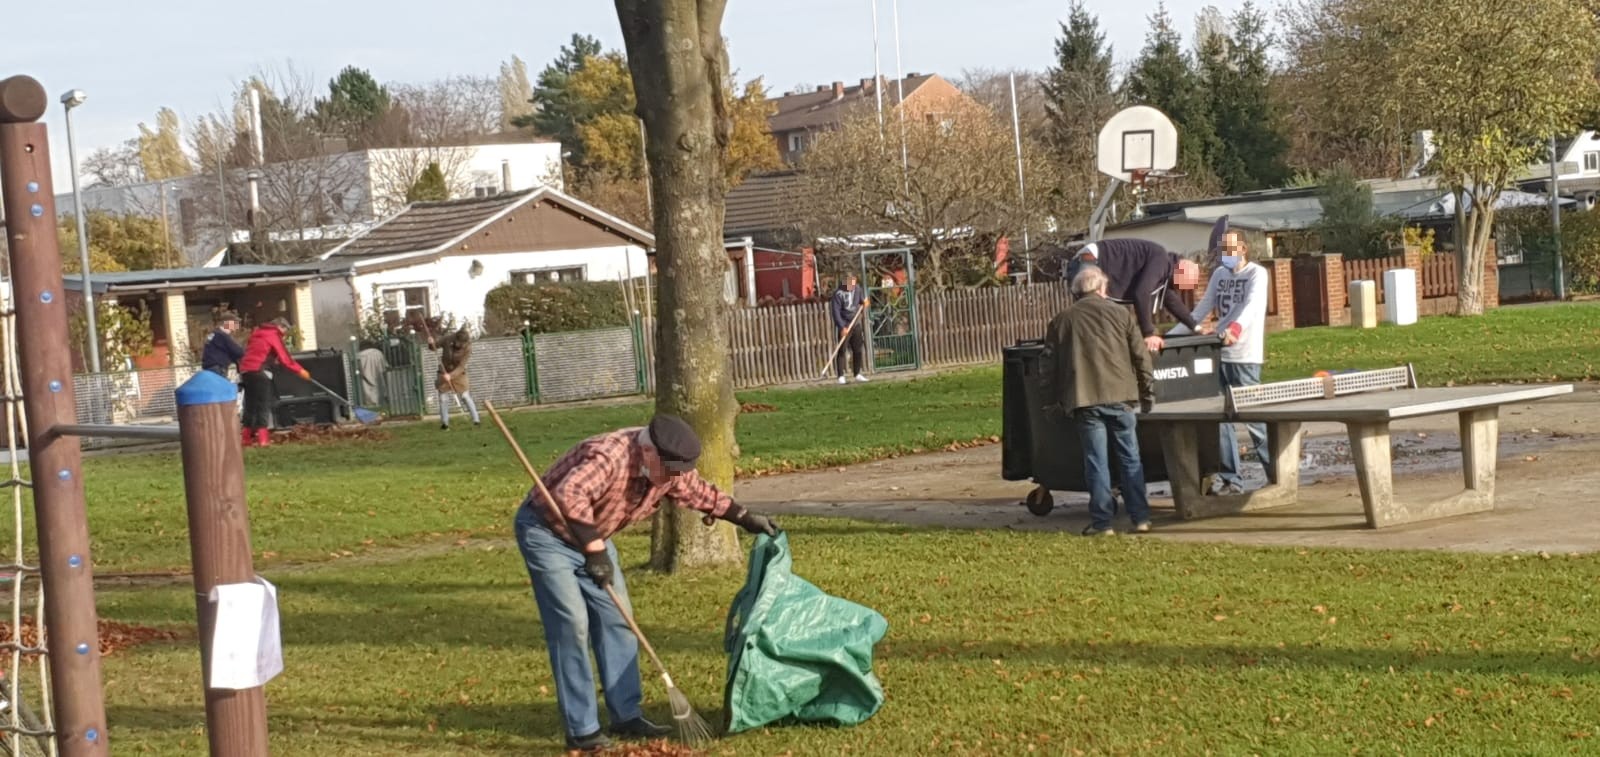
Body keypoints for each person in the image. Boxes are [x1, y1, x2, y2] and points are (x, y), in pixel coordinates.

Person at [513, 414, 780, 752]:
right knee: (571, 624)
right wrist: (595, 552)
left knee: (619, 618)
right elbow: (570, 494)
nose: (673, 478)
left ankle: (626, 716)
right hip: (548, 533)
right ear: (649, 453)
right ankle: (583, 730)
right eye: (670, 470)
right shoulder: (609, 456)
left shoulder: (667, 467)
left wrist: (742, 516)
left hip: (593, 534)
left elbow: (695, 490)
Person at [1040, 266, 1157, 536]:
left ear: (1075, 293)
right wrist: (1147, 392)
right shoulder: (1121, 314)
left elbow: (1047, 368)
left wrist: (1050, 402)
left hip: (1085, 400)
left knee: (1096, 462)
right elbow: (1141, 356)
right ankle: (1140, 518)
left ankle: (1102, 523)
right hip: (1121, 397)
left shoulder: (1061, 320)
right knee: (1130, 458)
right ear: (1103, 289)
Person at [1190, 227, 1271, 495]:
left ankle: (1276, 474)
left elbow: (1252, 306)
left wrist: (1235, 330)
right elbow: (1203, 308)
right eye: (1222, 249)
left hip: (1245, 356)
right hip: (1218, 354)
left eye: (1229, 248)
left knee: (1255, 420)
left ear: (1243, 249)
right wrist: (1174, 334)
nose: (1225, 253)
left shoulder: (1256, 274)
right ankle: (1230, 480)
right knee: (1220, 421)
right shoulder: (1219, 274)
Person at [1068, 238, 1204, 351]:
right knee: (1090, 311)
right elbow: (1141, 292)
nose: (1179, 290)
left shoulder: (1165, 269)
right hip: (1092, 259)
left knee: (1095, 317)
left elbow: (1172, 301)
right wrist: (1148, 333)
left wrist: (1195, 326)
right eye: (1180, 286)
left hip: (1089, 259)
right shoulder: (1160, 259)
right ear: (1179, 273)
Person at [238, 316, 309, 448]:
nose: (284, 334)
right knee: (263, 405)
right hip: (259, 371)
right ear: (280, 327)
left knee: (251, 405)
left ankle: (246, 438)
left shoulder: (257, 333)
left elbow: (257, 352)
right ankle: (263, 440)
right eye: (285, 331)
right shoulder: (273, 335)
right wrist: (300, 370)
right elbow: (284, 357)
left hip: (246, 372)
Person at [428, 325, 479, 430]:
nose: (459, 344)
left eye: (462, 343)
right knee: (443, 398)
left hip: (459, 373)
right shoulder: (447, 339)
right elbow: (434, 347)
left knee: (465, 396)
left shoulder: (468, 348)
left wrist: (451, 375)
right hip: (444, 370)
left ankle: (476, 420)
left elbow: (461, 366)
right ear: (455, 337)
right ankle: (445, 424)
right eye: (458, 341)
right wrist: (430, 343)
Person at [829, 273, 870, 384]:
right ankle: (840, 376)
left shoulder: (858, 289)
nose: (852, 285)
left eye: (854, 282)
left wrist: (865, 303)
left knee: (857, 349)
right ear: (845, 281)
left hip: (855, 323)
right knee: (842, 350)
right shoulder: (838, 293)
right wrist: (842, 327)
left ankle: (857, 373)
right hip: (845, 324)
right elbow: (836, 312)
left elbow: (863, 301)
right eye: (849, 282)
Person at [201, 311, 246, 378]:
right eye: (235, 323)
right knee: (220, 387)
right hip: (218, 368)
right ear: (227, 323)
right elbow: (238, 351)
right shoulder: (222, 335)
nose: (237, 325)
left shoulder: (214, 333)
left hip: (210, 367)